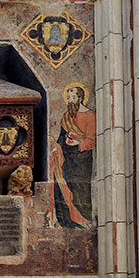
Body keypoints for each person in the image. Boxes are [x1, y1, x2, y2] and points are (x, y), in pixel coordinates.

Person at [51, 82, 96, 228]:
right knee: (65, 185)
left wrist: (78, 143)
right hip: (67, 158)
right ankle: (68, 219)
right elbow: (61, 138)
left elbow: (92, 140)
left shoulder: (90, 115)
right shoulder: (67, 116)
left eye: (73, 97)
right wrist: (56, 147)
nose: (70, 101)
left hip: (82, 159)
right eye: (68, 98)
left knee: (80, 188)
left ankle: (85, 218)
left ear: (80, 98)